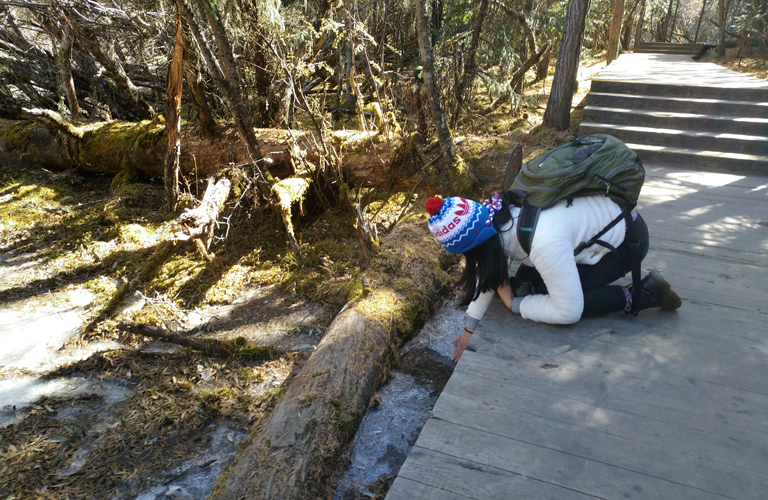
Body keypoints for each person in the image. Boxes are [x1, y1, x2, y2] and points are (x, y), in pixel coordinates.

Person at [425, 192, 682, 363]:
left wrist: (516, 305)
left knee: (564, 299)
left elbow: (568, 312)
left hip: (626, 243)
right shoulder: (500, 213)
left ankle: (639, 295)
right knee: (534, 284)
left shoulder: (542, 242)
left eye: (468, 255)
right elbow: (491, 268)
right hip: (594, 227)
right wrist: (471, 325)